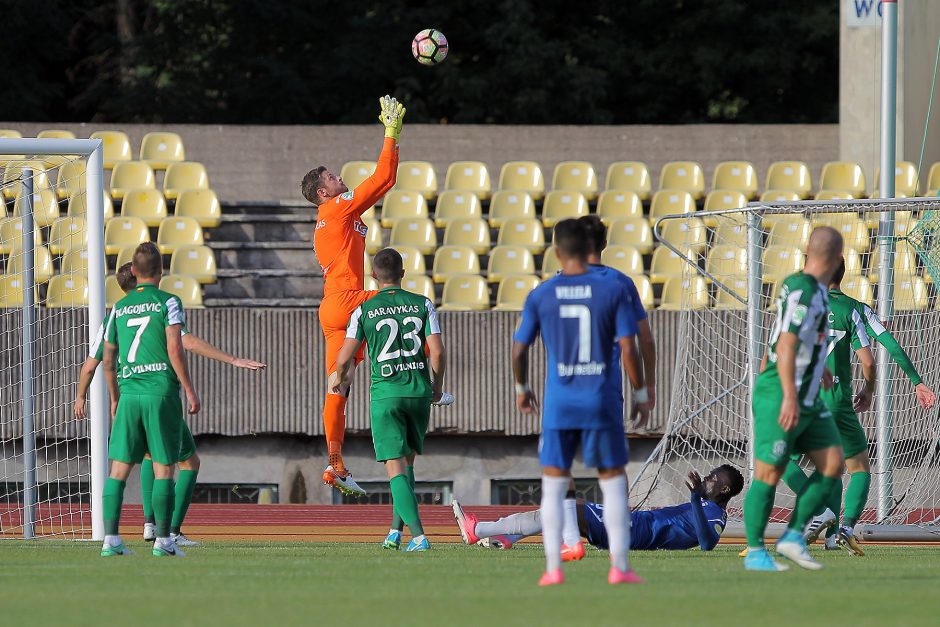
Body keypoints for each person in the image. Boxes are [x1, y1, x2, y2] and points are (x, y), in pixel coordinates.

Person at [74, 262, 266, 546]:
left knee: (136, 463)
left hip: (128, 397)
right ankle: (171, 532)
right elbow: (184, 343)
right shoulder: (159, 305)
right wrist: (233, 360)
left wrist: (82, 396)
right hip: (159, 395)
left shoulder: (115, 315)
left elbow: (93, 365)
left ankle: (140, 529)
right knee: (186, 463)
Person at [511, 218, 650, 586]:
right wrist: (640, 392)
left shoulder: (542, 293)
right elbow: (629, 345)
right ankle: (620, 567)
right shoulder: (612, 289)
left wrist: (522, 387)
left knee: (554, 482)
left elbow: (519, 347)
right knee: (612, 480)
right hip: (602, 397)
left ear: (557, 252)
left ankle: (553, 569)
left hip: (560, 403)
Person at [787, 258, 936, 555]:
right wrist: (908, 383)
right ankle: (845, 527)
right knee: (858, 469)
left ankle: (819, 513)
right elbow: (874, 356)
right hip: (838, 401)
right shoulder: (855, 308)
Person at [304, 95, 405, 497]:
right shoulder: (339, 209)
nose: (338, 177)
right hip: (349, 300)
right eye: (331, 176)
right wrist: (391, 134)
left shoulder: (333, 218)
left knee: (337, 385)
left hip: (332, 306)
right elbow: (384, 179)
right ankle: (427, 385)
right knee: (410, 308)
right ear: (322, 192)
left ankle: (335, 464)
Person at [552, 215, 657, 560]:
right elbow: (641, 339)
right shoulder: (619, 282)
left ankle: (571, 539)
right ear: (604, 243)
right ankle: (619, 533)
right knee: (611, 467)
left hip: (564, 388)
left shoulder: (557, 281)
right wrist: (645, 386)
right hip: (604, 388)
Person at [742, 226, 845, 572]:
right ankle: (756, 552)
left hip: (808, 394)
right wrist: (788, 396)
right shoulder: (802, 289)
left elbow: (803, 340)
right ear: (836, 257)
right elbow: (785, 345)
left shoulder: (816, 290)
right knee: (768, 472)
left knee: (832, 463)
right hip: (781, 391)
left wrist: (821, 367)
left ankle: (793, 536)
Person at [332, 248, 448, 552]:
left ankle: (420, 537)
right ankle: (395, 532)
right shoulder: (423, 303)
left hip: (386, 394)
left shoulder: (365, 309)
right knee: (407, 462)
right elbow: (436, 351)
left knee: (394, 467)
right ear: (403, 274)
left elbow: (344, 356)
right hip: (419, 393)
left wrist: (337, 377)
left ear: (373, 276)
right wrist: (437, 389)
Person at [99, 242, 200, 557]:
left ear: (132, 270)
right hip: (159, 393)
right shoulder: (168, 302)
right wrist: (189, 388)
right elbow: (175, 347)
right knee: (164, 468)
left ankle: (111, 541)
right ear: (161, 270)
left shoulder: (118, 308)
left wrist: (115, 398)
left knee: (118, 470)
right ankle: (164, 542)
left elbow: (107, 360)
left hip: (128, 394)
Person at [453, 465, 744, 552]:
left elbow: (707, 544)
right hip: (634, 524)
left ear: (725, 490)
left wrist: (693, 498)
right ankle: (506, 536)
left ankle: (478, 529)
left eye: (714, 479)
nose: (707, 479)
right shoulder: (706, 505)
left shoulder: (715, 515)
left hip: (635, 531)